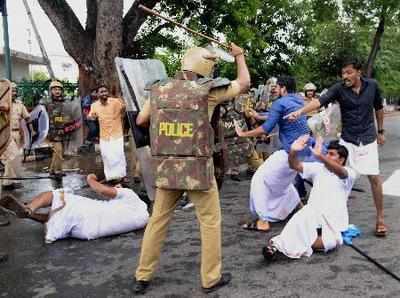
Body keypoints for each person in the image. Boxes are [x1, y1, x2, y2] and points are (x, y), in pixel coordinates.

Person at [133, 43, 250, 294]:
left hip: (168, 167)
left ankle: (142, 276)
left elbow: (141, 120)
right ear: (205, 66)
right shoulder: (207, 91)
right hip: (197, 169)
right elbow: (244, 83)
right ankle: (210, 279)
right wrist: (239, 55)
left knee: (158, 221)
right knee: (209, 222)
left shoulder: (158, 89)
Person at [286, 57, 387, 237]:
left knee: (374, 178)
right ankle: (332, 218)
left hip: (368, 138)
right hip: (347, 139)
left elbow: (378, 108)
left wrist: (380, 131)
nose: (345, 76)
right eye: (343, 73)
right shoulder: (339, 88)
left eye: (348, 72)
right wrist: (300, 111)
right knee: (337, 178)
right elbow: (320, 101)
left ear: (359, 72)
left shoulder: (372, 86)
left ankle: (380, 219)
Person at [262, 135, 357, 261]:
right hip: (312, 213)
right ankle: (276, 247)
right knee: (301, 216)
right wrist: (293, 151)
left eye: (332, 154)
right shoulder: (318, 168)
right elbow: (294, 165)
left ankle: (292, 243)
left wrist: (320, 157)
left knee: (331, 243)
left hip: (332, 221)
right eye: (327, 153)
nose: (327, 156)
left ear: (341, 160)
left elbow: (341, 173)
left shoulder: (349, 173)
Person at [235, 76, 311, 232]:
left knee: (260, 179)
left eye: (276, 87)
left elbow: (265, 129)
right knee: (283, 183)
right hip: (304, 153)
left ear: (283, 88)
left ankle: (263, 222)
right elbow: (276, 115)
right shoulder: (298, 101)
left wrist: (243, 134)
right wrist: (258, 116)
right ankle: (301, 209)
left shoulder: (280, 102)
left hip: (290, 152)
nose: (274, 90)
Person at [0, 174, 149, 243]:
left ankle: (30, 208)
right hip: (86, 232)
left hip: (90, 213)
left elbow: (101, 190)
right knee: (60, 215)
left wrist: (91, 178)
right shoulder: (143, 218)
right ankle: (29, 214)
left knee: (56, 195)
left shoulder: (129, 194)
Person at [88, 85, 127, 181]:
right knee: (106, 156)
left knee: (119, 155)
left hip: (116, 133)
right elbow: (91, 115)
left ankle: (122, 176)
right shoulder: (94, 105)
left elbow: (124, 108)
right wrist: (91, 117)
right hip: (104, 135)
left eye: (105, 91)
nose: (104, 93)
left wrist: (120, 100)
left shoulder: (115, 102)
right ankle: (110, 177)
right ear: (97, 94)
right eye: (101, 92)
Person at [45, 81, 80, 180]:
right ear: (51, 91)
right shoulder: (47, 103)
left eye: (59, 89)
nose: (57, 91)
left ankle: (52, 171)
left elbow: (68, 115)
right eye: (55, 89)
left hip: (63, 131)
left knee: (57, 152)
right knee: (58, 151)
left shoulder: (64, 102)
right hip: (53, 131)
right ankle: (58, 171)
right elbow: (50, 118)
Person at [1, 82, 30, 190]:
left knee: (15, 157)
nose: (13, 92)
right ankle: (7, 182)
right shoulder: (2, 104)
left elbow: (27, 117)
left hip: (17, 133)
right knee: (10, 157)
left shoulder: (19, 104)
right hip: (6, 134)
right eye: (11, 90)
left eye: (15, 90)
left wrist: (28, 130)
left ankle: (11, 180)